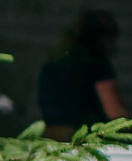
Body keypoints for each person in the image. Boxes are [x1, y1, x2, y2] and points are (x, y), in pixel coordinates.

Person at [36, 8, 126, 140]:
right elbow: (115, 113)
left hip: (51, 139)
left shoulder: (53, 63)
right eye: (111, 35)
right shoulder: (97, 64)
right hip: (84, 139)